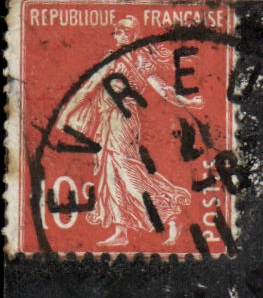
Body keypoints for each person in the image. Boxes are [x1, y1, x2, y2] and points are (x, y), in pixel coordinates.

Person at [58, 17, 203, 247]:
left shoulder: (142, 62)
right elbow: (89, 85)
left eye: (123, 31)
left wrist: (186, 102)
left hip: (122, 120)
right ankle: (121, 230)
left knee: (127, 172)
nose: (118, 34)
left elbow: (163, 90)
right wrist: (66, 113)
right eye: (116, 31)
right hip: (108, 121)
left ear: (134, 34)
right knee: (111, 174)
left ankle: (171, 214)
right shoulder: (113, 58)